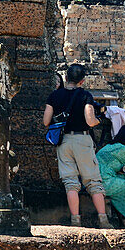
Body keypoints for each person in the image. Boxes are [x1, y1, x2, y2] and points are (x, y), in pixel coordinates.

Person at [42, 64, 113, 228]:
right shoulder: (85, 95)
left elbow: (46, 121)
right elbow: (90, 120)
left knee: (70, 182)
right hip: (82, 139)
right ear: (82, 81)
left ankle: (75, 221)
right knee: (93, 180)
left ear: (66, 78)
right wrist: (99, 120)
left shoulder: (54, 96)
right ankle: (103, 220)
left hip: (64, 142)